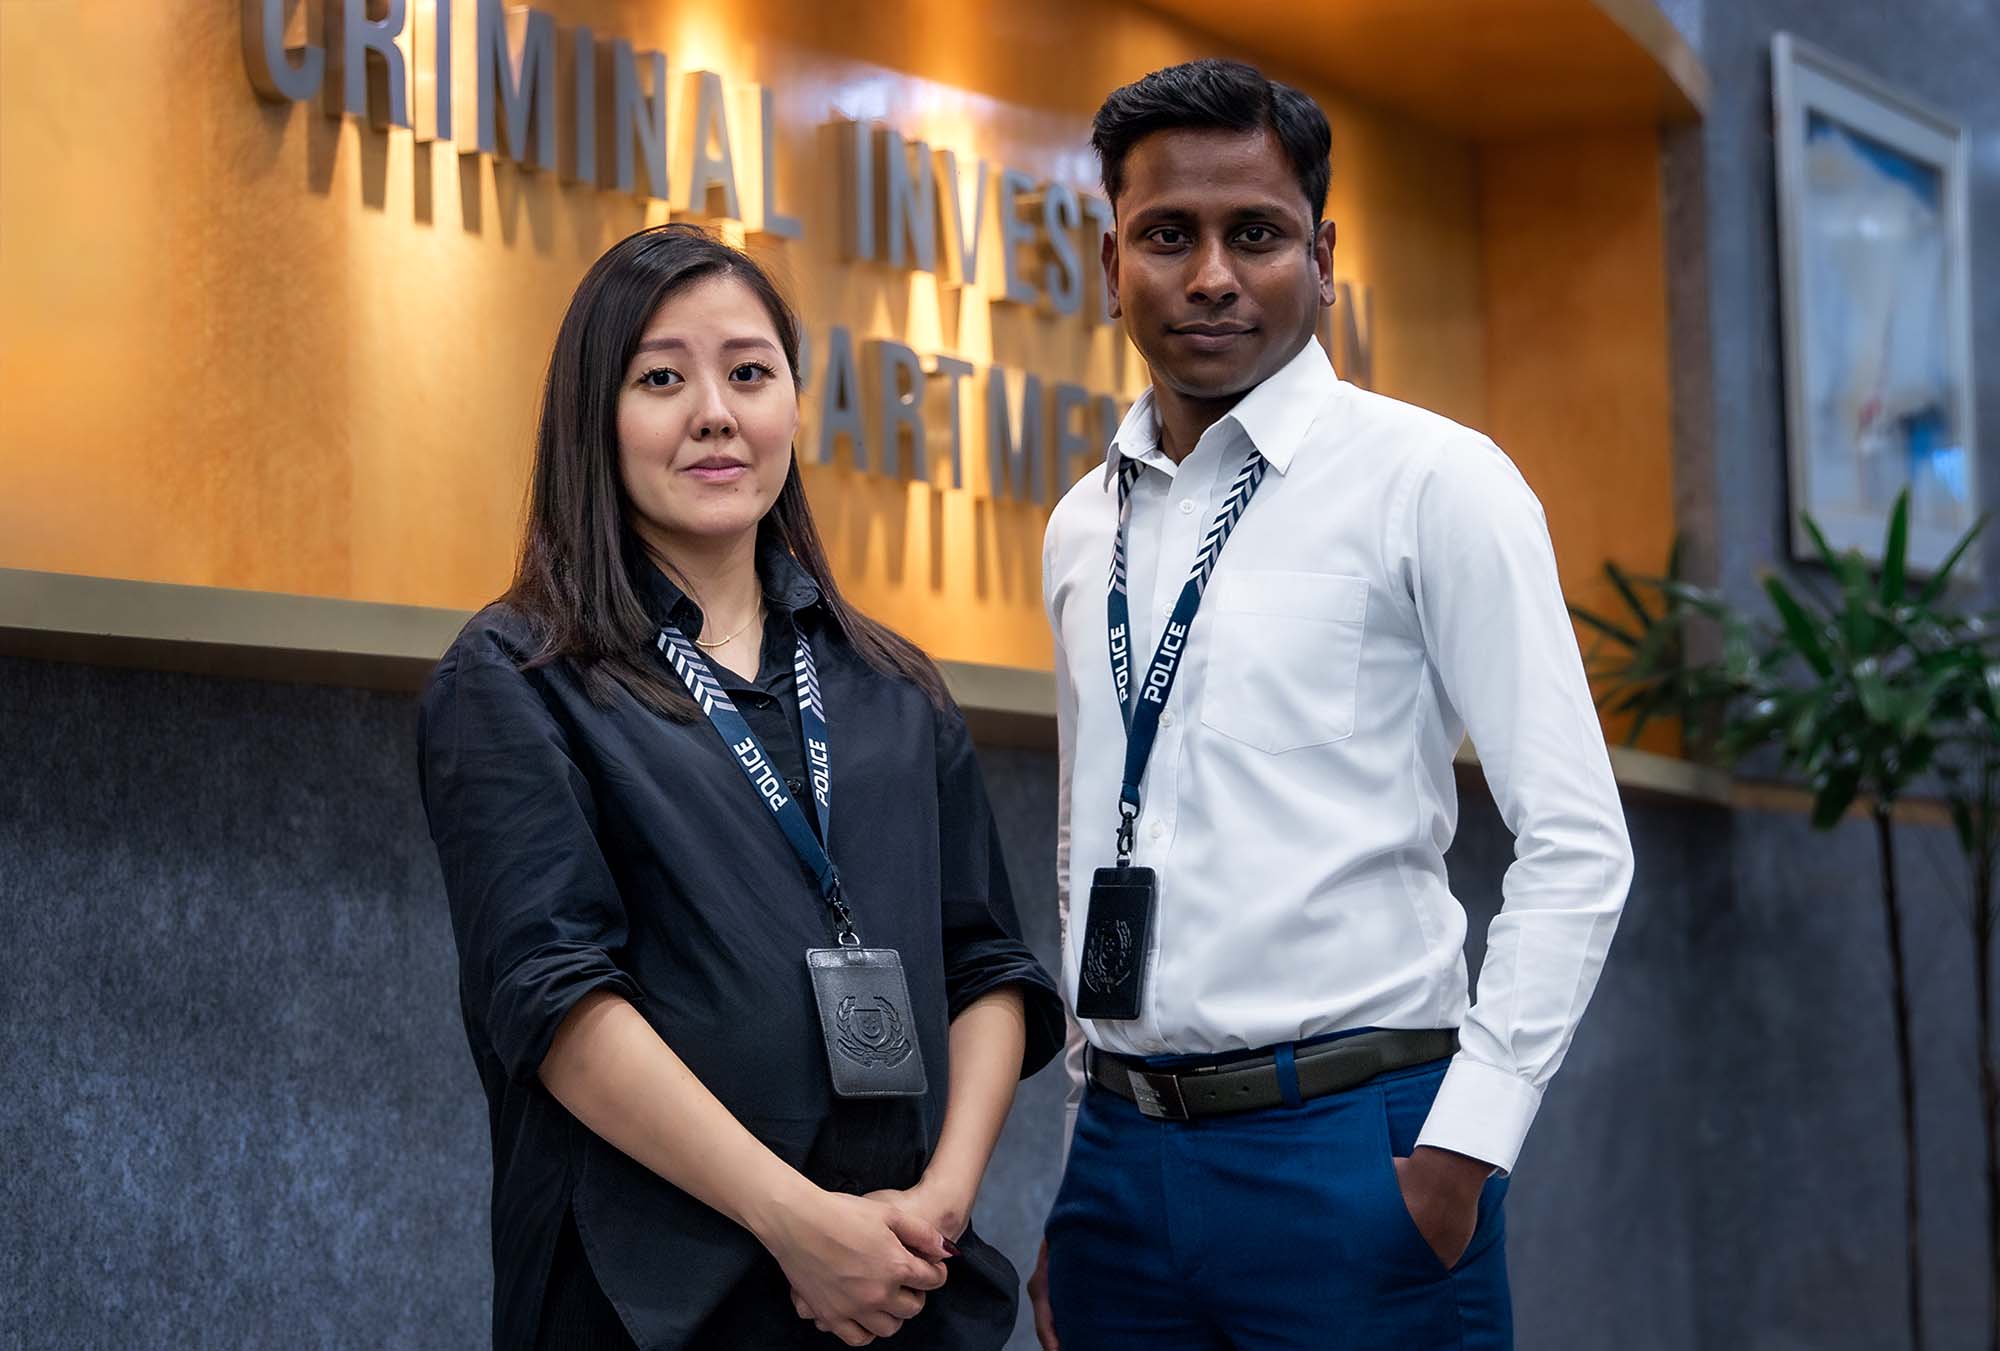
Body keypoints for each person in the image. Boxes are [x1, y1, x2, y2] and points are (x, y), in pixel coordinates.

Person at [1028, 59, 1635, 1350]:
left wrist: (1463, 1148)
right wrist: (1085, 1159)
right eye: (1165, 235)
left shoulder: (1432, 480)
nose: (1209, 276)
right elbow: (1088, 844)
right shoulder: (1086, 524)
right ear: (1109, 259)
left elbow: (1578, 840)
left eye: (1254, 233)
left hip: (1356, 1157)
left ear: (1323, 252)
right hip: (1121, 1173)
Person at [417, 223, 1063, 1351]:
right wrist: (796, 1223)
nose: (714, 411)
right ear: (594, 416)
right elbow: (556, 1003)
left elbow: (988, 967)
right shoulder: (517, 675)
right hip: (649, 1298)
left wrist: (938, 1206)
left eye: (749, 373)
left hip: (894, 1282)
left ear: (794, 408)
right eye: (661, 378)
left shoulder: (891, 687)